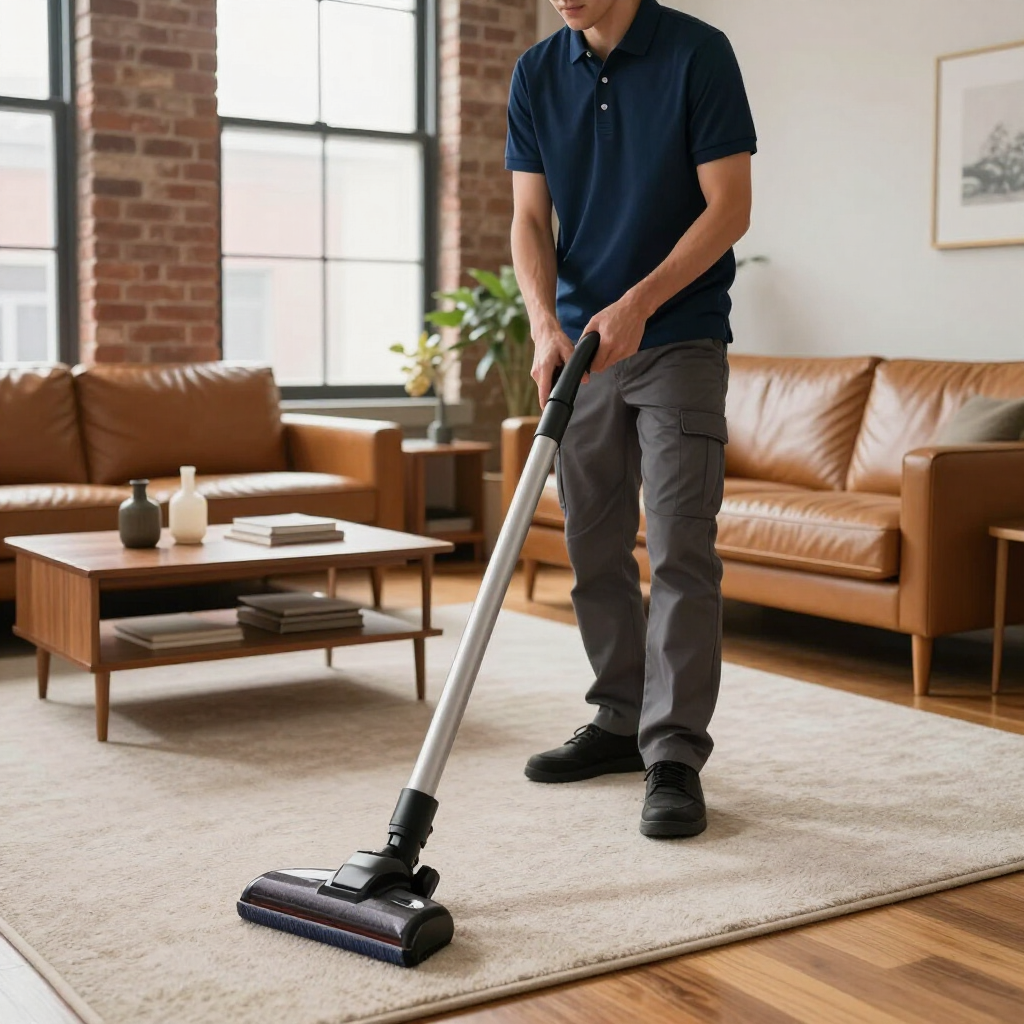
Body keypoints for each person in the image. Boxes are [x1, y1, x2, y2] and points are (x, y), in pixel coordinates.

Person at [506, 0, 756, 837]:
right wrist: (546, 325)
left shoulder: (698, 53)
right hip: (582, 347)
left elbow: (728, 208)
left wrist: (641, 302)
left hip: (678, 338)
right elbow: (530, 218)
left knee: (681, 545)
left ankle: (675, 751)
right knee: (591, 542)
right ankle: (620, 719)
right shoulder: (538, 72)